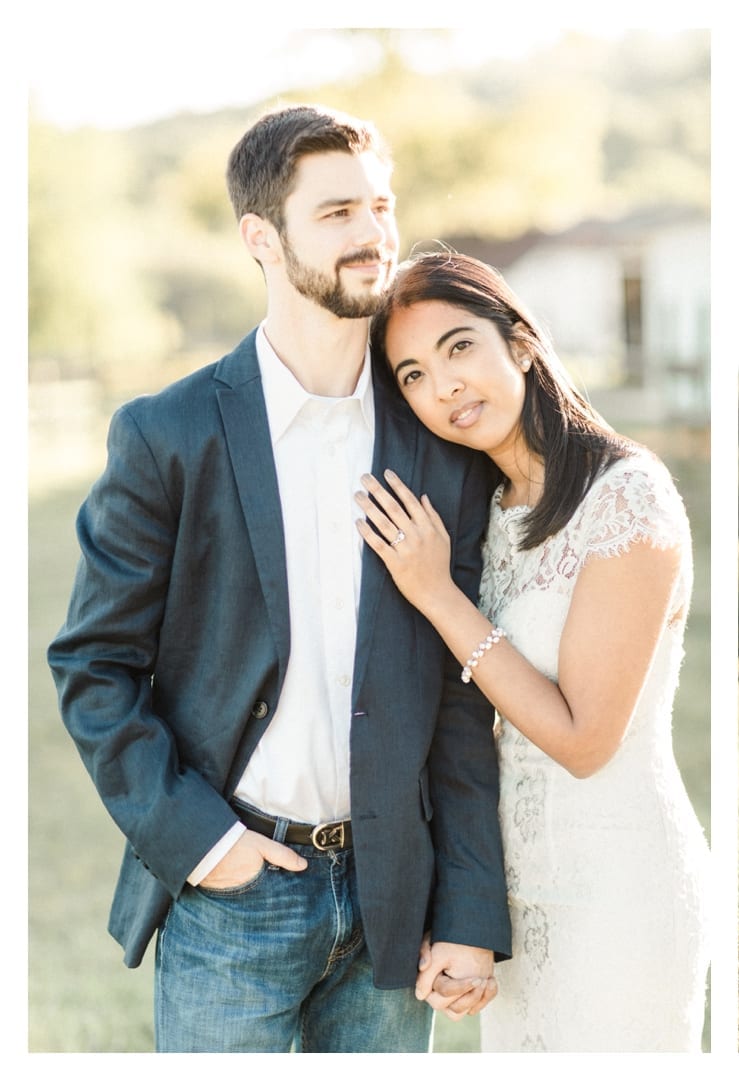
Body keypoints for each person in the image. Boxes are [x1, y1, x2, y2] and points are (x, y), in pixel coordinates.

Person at [47, 105, 510, 1052]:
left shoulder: (437, 445)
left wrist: (465, 904)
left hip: (393, 901)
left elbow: (461, 698)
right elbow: (94, 668)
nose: (374, 233)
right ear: (261, 236)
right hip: (235, 897)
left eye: (380, 206)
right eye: (337, 212)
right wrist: (206, 848)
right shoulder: (168, 435)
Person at [354, 251, 709, 1051]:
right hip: (510, 907)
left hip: (619, 892)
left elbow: (585, 740)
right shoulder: (477, 512)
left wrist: (438, 594)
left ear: (519, 342)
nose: (442, 387)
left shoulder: (627, 496)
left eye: (458, 348)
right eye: (411, 374)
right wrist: (463, 911)